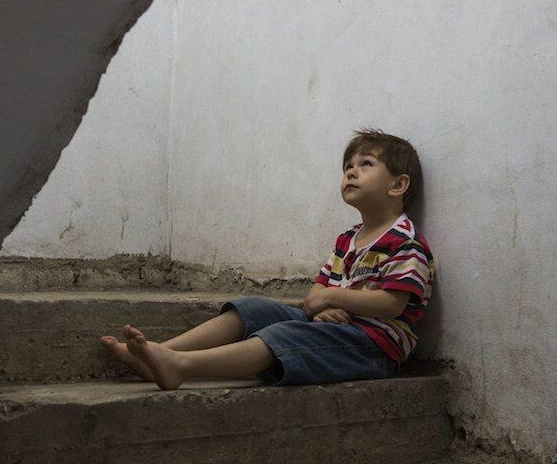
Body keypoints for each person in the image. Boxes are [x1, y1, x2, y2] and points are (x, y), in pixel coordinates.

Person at [100, 129, 435, 390]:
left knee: (286, 334)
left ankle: (181, 366)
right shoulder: (348, 239)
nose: (351, 172)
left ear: (398, 184)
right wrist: (320, 306)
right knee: (252, 308)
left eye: (366, 164)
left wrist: (332, 298)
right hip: (335, 327)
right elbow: (317, 293)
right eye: (348, 166)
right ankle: (160, 353)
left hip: (373, 347)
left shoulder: (404, 241)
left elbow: (392, 304)